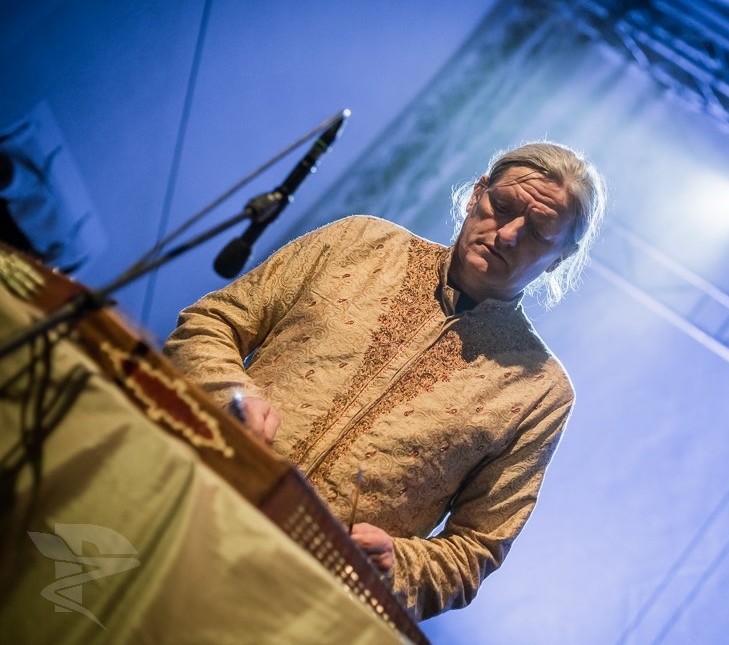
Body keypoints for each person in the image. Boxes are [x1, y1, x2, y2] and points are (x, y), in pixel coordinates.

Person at [164, 141, 607, 620]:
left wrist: (399, 565)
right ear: (475, 194)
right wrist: (230, 394)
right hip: (181, 497)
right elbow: (212, 323)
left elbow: (475, 549)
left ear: (560, 257)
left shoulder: (541, 391)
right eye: (501, 206)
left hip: (287, 600)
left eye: (538, 232)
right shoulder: (361, 241)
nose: (508, 235)